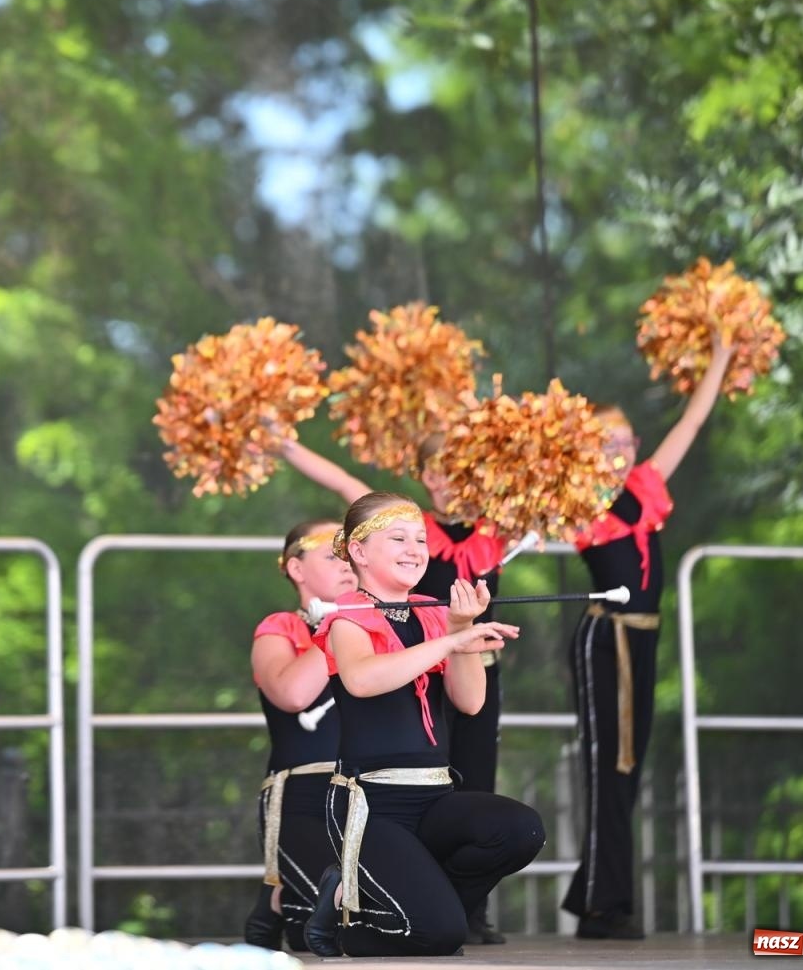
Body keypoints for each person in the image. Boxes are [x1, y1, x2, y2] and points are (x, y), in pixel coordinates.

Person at [280, 438, 513, 943]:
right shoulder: (347, 616)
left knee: (519, 830)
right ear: (359, 552)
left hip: (434, 794)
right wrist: (452, 637)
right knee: (443, 937)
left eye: (420, 541)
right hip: (373, 804)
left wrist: (461, 631)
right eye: (399, 540)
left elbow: (470, 701)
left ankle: (412, 905)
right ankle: (347, 916)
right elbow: (363, 679)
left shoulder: (433, 612)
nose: (415, 550)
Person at [563, 336, 736, 940]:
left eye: (626, 442)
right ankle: (603, 904)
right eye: (606, 443)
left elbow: (692, 418)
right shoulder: (579, 503)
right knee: (606, 765)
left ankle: (599, 898)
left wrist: (718, 358)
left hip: (643, 639)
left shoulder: (646, 485)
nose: (620, 451)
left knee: (628, 769)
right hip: (603, 639)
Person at [242, 518, 356, 952]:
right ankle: (280, 900)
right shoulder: (279, 628)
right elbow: (293, 694)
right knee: (314, 932)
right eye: (333, 556)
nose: (347, 566)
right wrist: (338, 624)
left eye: (351, 557)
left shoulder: (368, 626)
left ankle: (281, 897)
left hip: (364, 790)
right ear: (296, 568)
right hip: (303, 791)